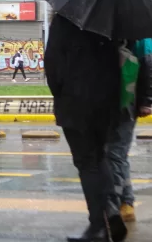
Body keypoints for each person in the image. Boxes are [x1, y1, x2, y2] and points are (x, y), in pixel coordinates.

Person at [45, 15, 127, 242]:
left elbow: (52, 65)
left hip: (75, 105)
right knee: (100, 157)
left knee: (86, 163)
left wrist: (61, 95)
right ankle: (110, 210)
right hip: (105, 104)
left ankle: (98, 226)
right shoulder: (109, 21)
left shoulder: (65, 20)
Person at [107, 38, 152, 223]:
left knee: (116, 153)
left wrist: (147, 100)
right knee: (113, 153)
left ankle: (122, 202)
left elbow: (148, 65)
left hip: (127, 101)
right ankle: (124, 200)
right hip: (109, 101)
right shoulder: (108, 33)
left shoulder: (141, 36)